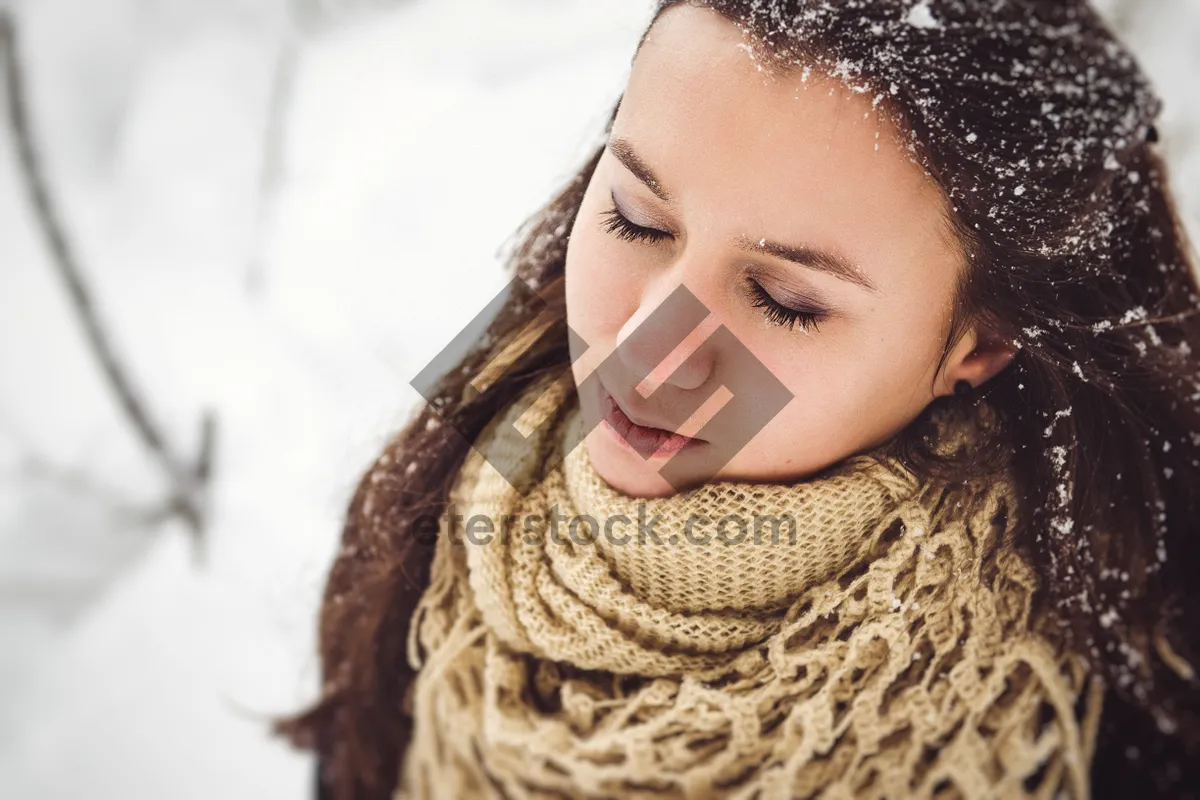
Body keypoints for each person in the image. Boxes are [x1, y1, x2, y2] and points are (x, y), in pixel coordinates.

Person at [277, 1, 1200, 797]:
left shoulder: (1125, 710)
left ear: (981, 345)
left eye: (784, 301)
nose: (644, 347)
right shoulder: (464, 462)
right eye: (636, 218)